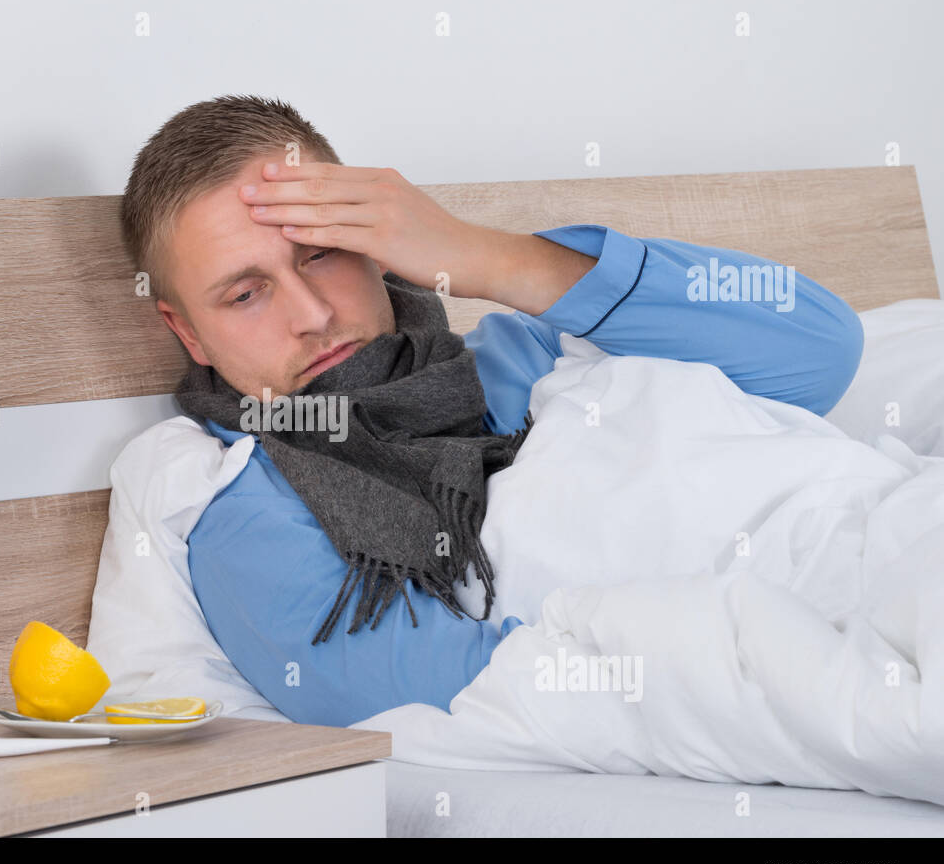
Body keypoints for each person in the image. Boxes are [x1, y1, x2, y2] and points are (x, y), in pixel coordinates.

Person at [118, 94, 864, 727]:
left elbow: (821, 351)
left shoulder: (533, 351)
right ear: (187, 332)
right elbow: (392, 684)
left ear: (377, 240)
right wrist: (760, 665)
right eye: (246, 294)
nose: (312, 313)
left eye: (322, 252)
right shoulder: (238, 496)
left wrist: (485, 258)